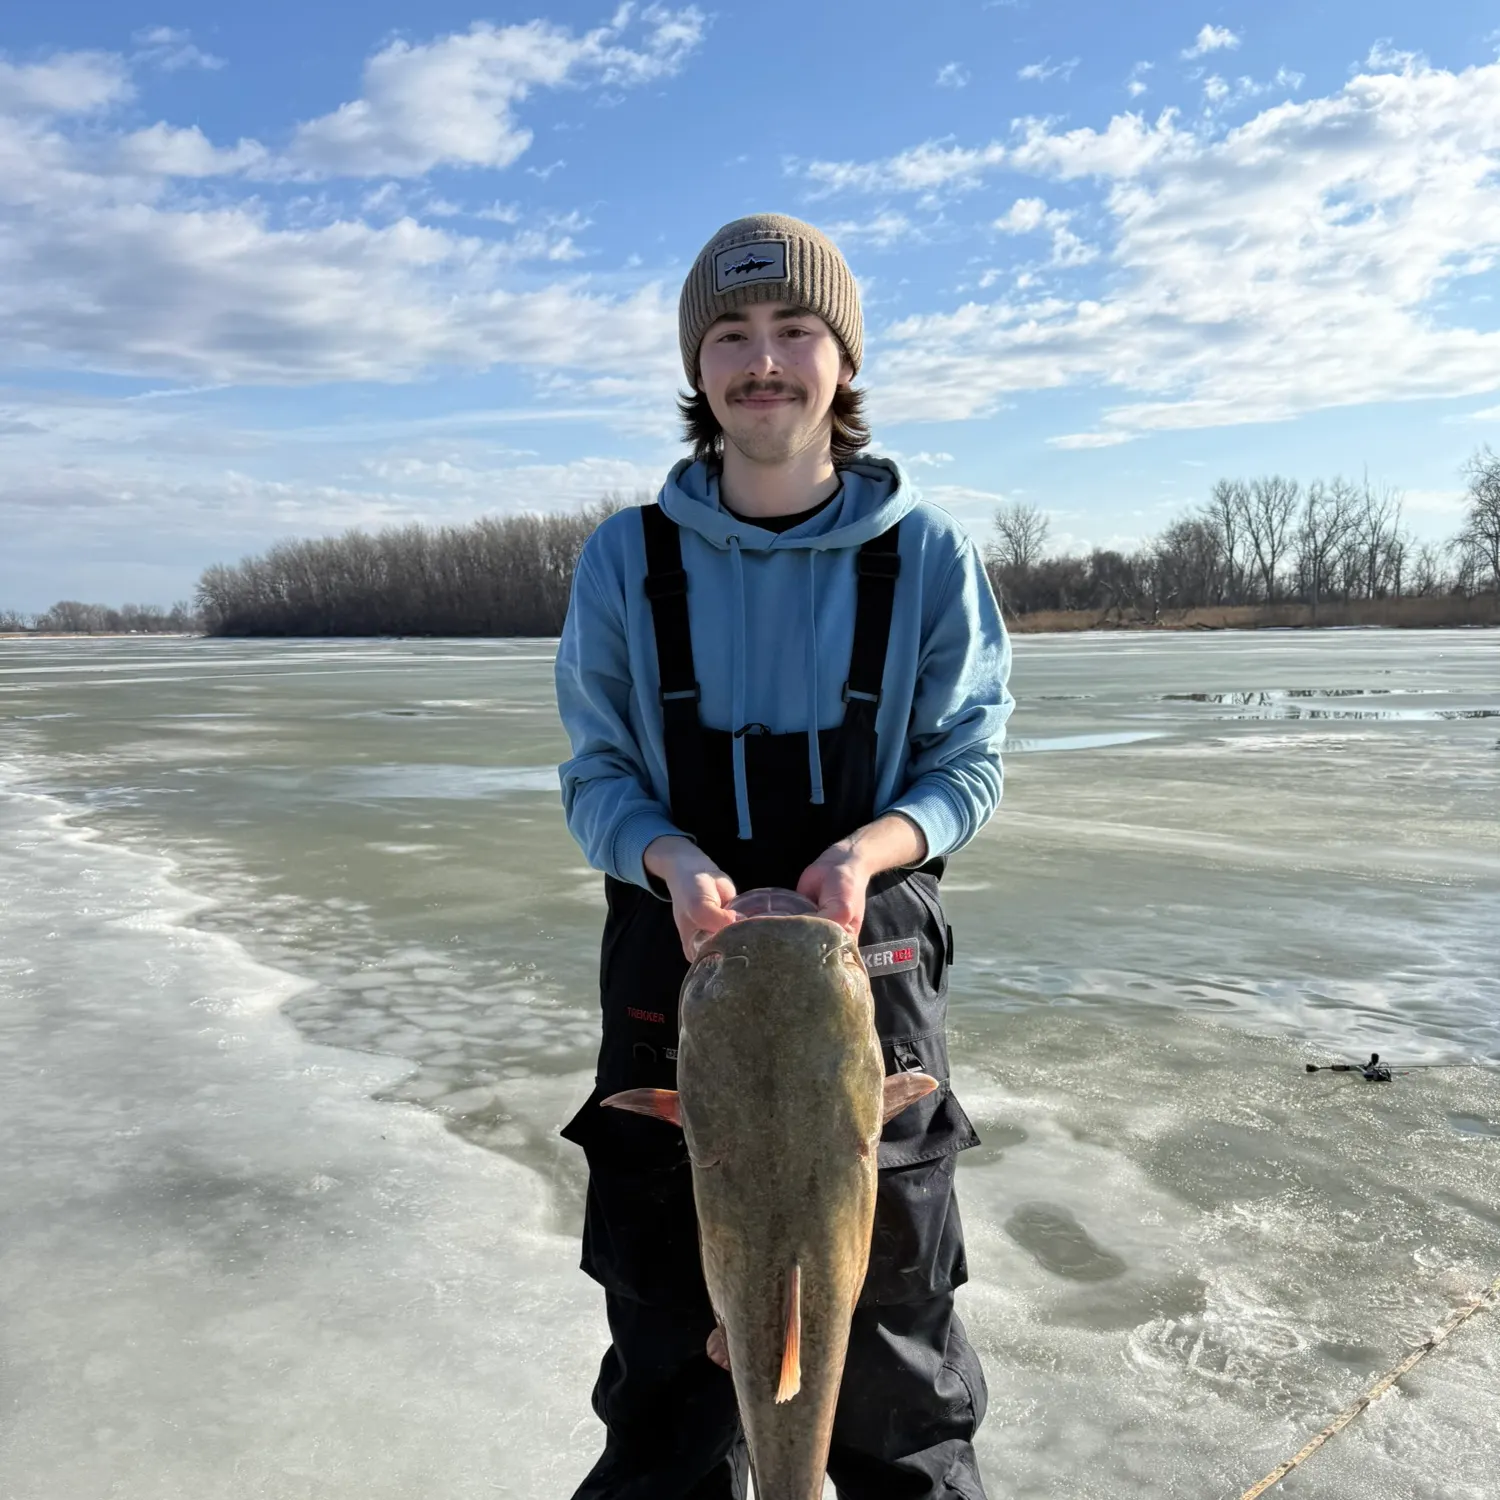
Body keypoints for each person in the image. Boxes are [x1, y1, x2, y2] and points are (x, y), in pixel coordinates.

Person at [554, 212, 1013, 1500]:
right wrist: (670, 859)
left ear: (843, 360)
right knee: (668, 1380)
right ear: (699, 369)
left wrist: (868, 850)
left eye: (794, 331)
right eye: (732, 336)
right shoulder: (624, 561)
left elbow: (968, 764)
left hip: (865, 969)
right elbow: (597, 777)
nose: (765, 362)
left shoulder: (925, 556)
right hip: (672, 969)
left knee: (894, 1375)